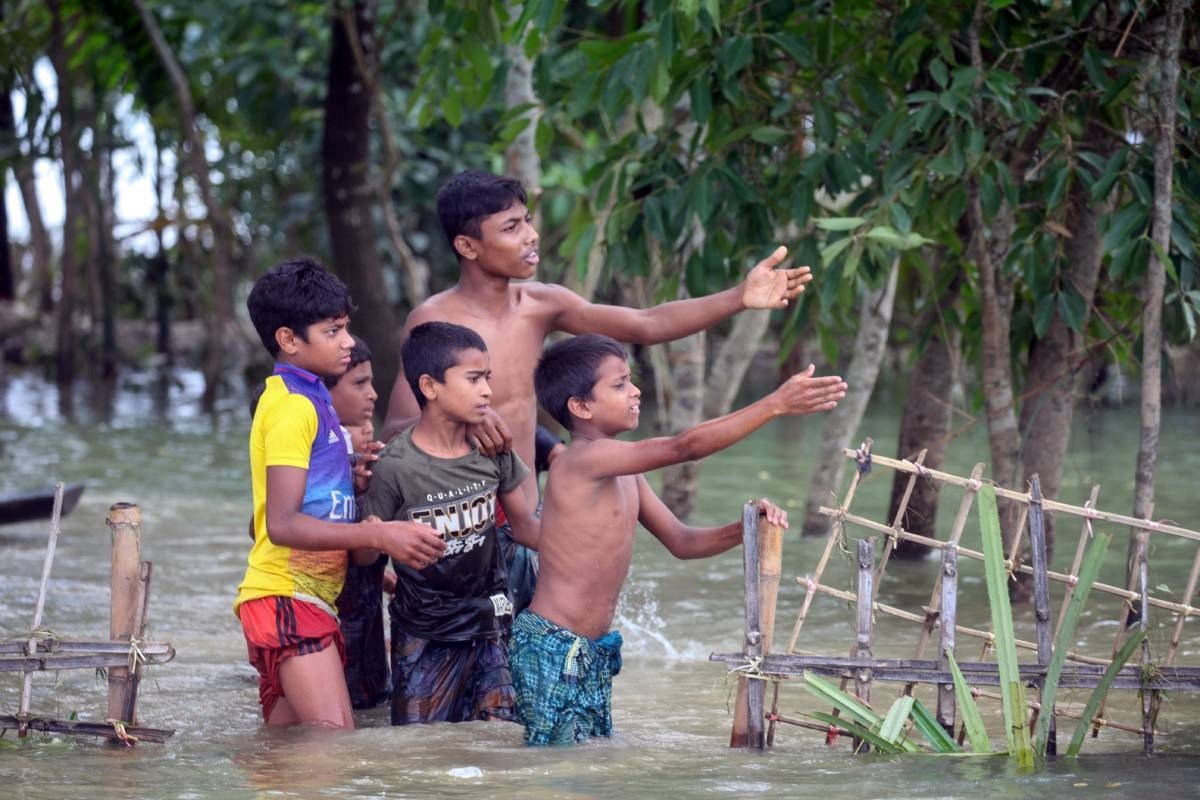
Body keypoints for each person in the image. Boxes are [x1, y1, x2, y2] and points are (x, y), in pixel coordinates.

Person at [382, 169, 817, 615]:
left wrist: (738, 297)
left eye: (527, 221)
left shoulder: (542, 304)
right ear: (467, 246)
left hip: (529, 524)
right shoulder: (433, 320)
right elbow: (397, 430)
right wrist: (465, 420)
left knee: (533, 649)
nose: (531, 236)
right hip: (462, 521)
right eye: (512, 228)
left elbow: (646, 323)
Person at [511, 334, 847, 746]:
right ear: (580, 406)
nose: (635, 391)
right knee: (557, 767)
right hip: (553, 645)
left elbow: (682, 542)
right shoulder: (581, 461)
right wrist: (772, 405)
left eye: (630, 381)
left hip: (591, 649)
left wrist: (746, 527)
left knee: (582, 761)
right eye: (619, 385)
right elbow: (683, 447)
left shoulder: (625, 471)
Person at [233, 257, 445, 730]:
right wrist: (380, 536)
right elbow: (281, 524)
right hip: (287, 597)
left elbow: (313, 496)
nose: (348, 342)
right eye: (332, 331)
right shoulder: (291, 407)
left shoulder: (313, 398)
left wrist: (355, 480)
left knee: (284, 751)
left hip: (304, 599)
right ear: (288, 339)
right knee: (336, 746)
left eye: (346, 328)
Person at [362, 321, 540, 726]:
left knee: (499, 738)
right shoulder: (395, 466)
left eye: (488, 379)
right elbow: (363, 557)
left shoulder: (492, 450)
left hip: (490, 623)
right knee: (422, 750)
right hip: (424, 632)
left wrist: (587, 540)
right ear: (429, 386)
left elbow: (526, 529)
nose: (487, 392)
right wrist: (379, 535)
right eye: (474, 379)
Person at [324, 336, 392, 711]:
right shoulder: (319, 460)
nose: (373, 395)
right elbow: (264, 526)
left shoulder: (361, 456)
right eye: (359, 383)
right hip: (337, 632)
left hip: (365, 631)